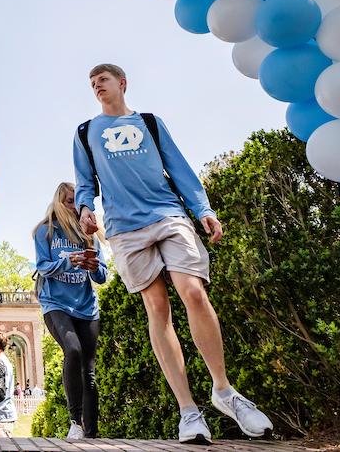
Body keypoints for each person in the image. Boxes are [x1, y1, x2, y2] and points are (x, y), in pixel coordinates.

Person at [73, 63, 274, 443]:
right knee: (157, 308)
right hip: (124, 228)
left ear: (122, 83)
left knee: (194, 293)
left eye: (104, 80)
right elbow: (85, 183)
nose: (97, 86)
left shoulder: (150, 122)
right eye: (92, 83)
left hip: (167, 214)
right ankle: (189, 411)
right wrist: (85, 209)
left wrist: (204, 210)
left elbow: (179, 168)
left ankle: (224, 391)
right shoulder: (85, 133)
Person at [33, 181, 107, 439]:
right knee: (72, 350)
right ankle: (75, 422)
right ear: (58, 202)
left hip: (86, 307)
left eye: (78, 200)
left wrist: (92, 266)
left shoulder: (89, 231)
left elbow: (102, 276)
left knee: (89, 371)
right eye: (69, 201)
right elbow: (43, 267)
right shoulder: (45, 231)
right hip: (55, 304)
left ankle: (92, 434)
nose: (75, 206)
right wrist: (68, 260)